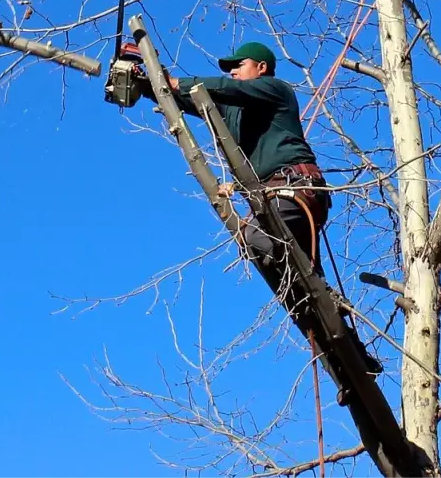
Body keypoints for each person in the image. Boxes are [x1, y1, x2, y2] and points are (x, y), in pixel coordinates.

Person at [135, 40, 382, 376]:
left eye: (240, 65)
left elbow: (217, 88)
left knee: (254, 238)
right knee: (299, 292)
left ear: (261, 68)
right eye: (229, 68)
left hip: (295, 189)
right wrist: (149, 83)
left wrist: (181, 81)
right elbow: (192, 100)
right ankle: (352, 365)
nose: (233, 71)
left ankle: (328, 298)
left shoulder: (275, 90)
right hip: (273, 200)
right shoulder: (232, 109)